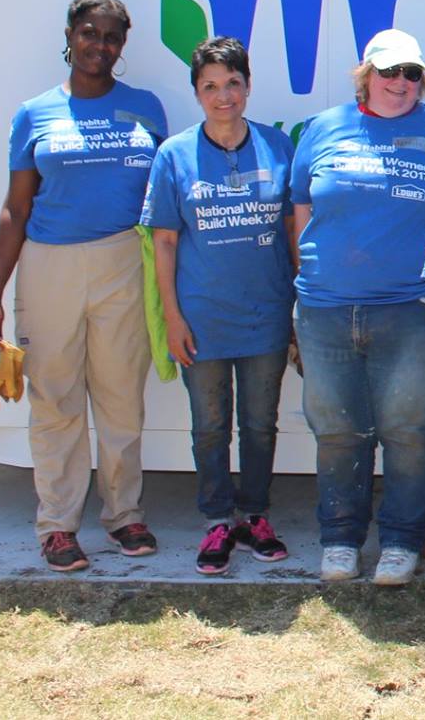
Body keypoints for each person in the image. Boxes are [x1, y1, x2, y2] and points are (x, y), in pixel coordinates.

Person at [0, 0, 169, 572]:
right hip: (51, 263)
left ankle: (124, 515)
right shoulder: (34, 114)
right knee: (54, 398)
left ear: (122, 46)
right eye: (90, 33)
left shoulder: (146, 109)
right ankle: (58, 524)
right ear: (70, 34)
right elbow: (15, 207)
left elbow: (163, 200)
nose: (99, 46)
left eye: (111, 38)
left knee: (119, 398)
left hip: (122, 263)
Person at [290, 29, 425, 586]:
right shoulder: (324, 128)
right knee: (338, 430)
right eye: (389, 72)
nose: (400, 84)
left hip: (413, 310)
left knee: (410, 430)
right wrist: (311, 275)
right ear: (364, 74)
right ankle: (341, 539)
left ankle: (401, 540)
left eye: (411, 74)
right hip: (325, 308)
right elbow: (300, 207)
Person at [141, 37, 295, 575]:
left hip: (266, 315)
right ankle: (215, 521)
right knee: (209, 425)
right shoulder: (174, 156)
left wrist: (297, 310)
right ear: (197, 93)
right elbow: (163, 242)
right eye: (211, 86)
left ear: (248, 87)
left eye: (233, 84)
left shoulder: (279, 148)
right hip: (201, 318)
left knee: (259, 424)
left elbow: (294, 234)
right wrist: (172, 318)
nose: (223, 96)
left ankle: (254, 516)